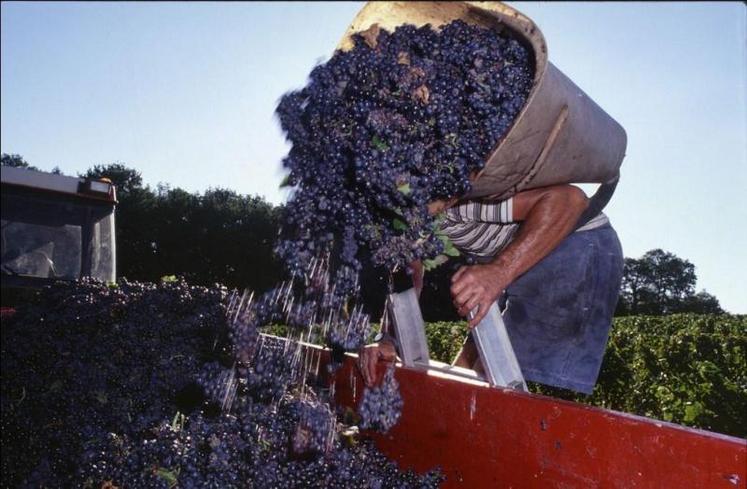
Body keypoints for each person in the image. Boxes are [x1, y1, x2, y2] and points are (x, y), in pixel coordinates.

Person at [358, 184, 624, 395]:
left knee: (503, 394)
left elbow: (571, 200)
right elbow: (408, 276)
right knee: (463, 379)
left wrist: (499, 271)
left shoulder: (456, 202)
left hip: (574, 246)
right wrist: (389, 340)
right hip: (522, 259)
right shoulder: (407, 223)